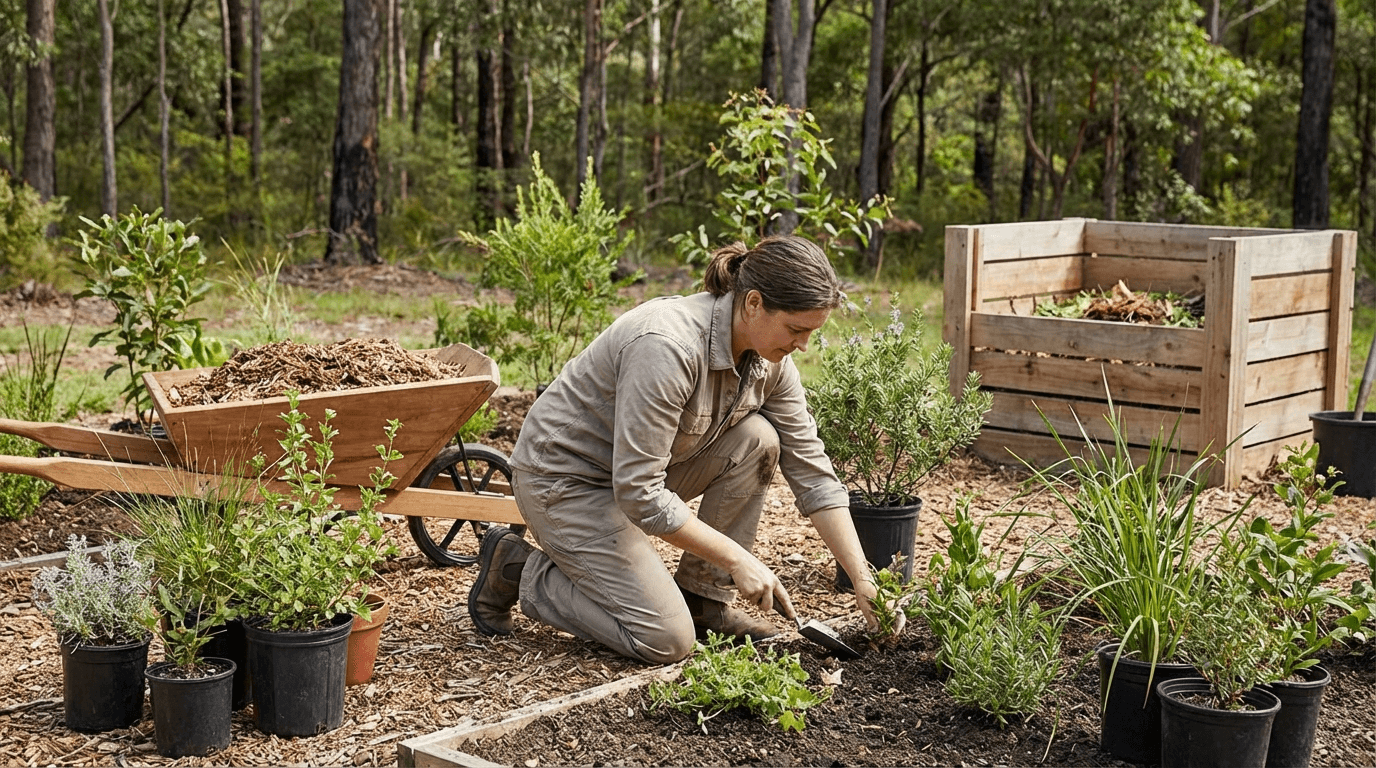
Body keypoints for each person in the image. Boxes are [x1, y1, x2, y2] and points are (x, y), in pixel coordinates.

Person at [467, 234, 879, 664]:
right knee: (665, 640)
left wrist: (862, 579)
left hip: (629, 476)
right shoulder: (667, 346)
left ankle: (704, 601)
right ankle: (516, 570)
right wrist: (738, 559)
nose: (804, 345)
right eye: (797, 330)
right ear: (753, 303)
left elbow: (811, 468)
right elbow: (640, 494)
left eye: (812, 332)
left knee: (759, 439)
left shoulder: (767, 359)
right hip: (565, 482)